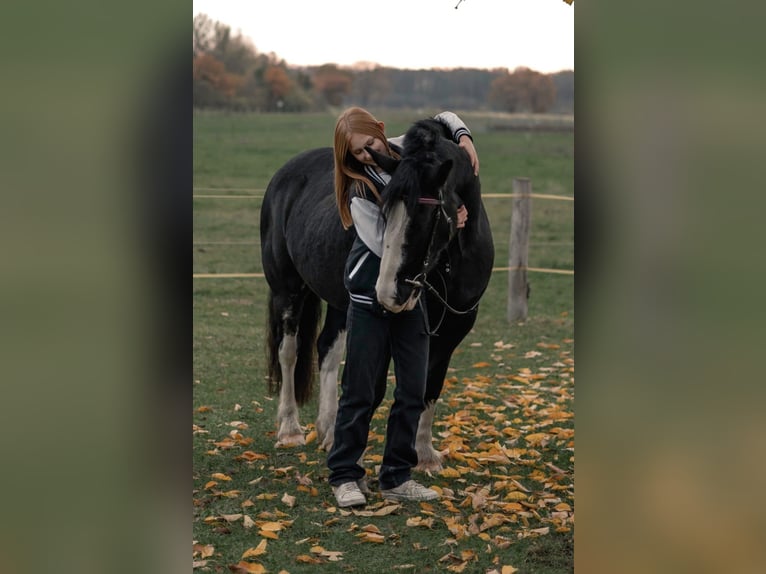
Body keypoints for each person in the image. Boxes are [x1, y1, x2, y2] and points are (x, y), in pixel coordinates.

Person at [326, 107, 479, 507]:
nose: (366, 155)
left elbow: (442, 117)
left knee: (412, 389)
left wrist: (463, 138)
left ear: (380, 131)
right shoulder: (359, 187)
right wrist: (441, 218)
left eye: (370, 145)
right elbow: (390, 244)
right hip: (370, 294)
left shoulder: (406, 155)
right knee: (360, 391)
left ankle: (396, 476)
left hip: (411, 295)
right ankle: (344, 475)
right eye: (356, 153)